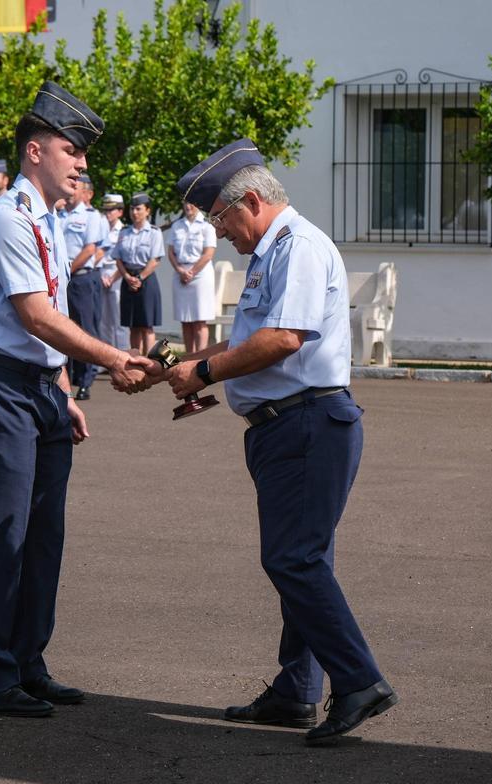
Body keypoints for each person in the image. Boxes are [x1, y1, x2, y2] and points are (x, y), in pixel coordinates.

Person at [165, 139, 397, 746]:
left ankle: (359, 682)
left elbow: (284, 338)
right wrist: (184, 366)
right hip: (286, 426)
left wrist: (205, 373)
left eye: (220, 218)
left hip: (307, 423)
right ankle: (297, 690)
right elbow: (252, 338)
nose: (219, 232)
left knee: (294, 560)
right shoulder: (273, 251)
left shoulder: (298, 247)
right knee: (301, 558)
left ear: (251, 202)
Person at [0, 80, 158, 717]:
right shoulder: (7, 218)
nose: (82, 164)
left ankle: (27, 663)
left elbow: (53, 320)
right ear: (35, 151)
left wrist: (64, 390)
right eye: (73, 150)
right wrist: (116, 358)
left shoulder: (48, 221)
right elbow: (36, 316)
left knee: (43, 539)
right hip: (0, 389)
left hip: (39, 391)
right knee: (1, 536)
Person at [60, 174, 105, 400]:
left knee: (85, 328)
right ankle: (68, 378)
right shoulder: (58, 214)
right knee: (64, 328)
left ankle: (86, 381)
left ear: (85, 191)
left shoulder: (91, 216)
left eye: (76, 186)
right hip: (61, 280)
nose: (71, 189)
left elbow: (89, 250)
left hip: (80, 278)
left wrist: (67, 270)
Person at [113, 192, 164, 356]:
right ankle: (136, 360)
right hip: (127, 278)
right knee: (133, 325)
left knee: (146, 325)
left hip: (146, 279)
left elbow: (155, 260)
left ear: (147, 211)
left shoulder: (154, 232)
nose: (134, 212)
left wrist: (139, 278)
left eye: (138, 209)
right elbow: (118, 258)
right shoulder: (124, 232)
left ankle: (149, 361)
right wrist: (127, 277)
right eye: (132, 209)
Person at [168, 200, 218, 354]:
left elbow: (208, 253)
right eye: (185, 203)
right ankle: (189, 356)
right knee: (185, 320)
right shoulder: (177, 225)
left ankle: (200, 356)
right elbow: (170, 252)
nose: (188, 207)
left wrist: (192, 272)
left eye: (192, 203)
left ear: (198, 205)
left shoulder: (206, 226)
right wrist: (180, 270)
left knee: (199, 320)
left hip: (200, 274)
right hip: (180, 272)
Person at [93, 193, 129, 352]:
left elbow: (125, 258)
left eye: (111, 210)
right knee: (103, 320)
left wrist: (113, 278)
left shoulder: (124, 231)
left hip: (117, 274)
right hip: (101, 273)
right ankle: (107, 356)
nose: (108, 213)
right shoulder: (101, 229)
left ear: (120, 211)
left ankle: (123, 354)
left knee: (119, 320)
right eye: (106, 210)